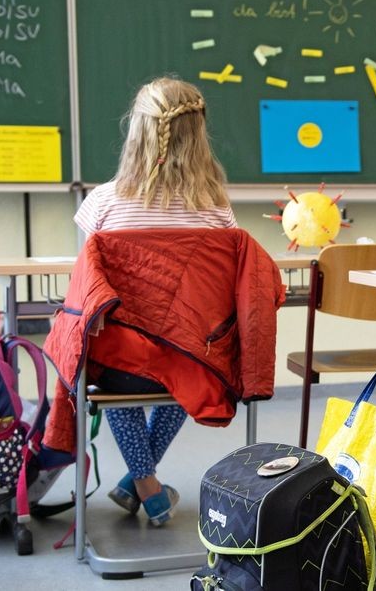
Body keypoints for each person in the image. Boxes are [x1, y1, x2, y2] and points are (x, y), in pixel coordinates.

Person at [73, 76, 237, 527]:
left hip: (120, 369)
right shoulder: (216, 209)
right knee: (182, 362)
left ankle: (141, 484)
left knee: (115, 360)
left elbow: (87, 292)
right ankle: (145, 484)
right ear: (199, 135)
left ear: (136, 131)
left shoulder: (103, 203)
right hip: (192, 364)